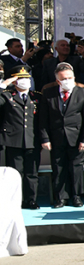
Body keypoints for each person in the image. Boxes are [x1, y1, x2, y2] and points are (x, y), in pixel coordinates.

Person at [38, 62, 84, 208]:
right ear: (58, 81)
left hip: (76, 138)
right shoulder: (48, 94)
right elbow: (43, 118)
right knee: (58, 168)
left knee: (76, 168)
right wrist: (45, 138)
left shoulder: (83, 93)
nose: (67, 81)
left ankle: (76, 196)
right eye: (64, 79)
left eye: (70, 78)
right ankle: (61, 197)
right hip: (56, 137)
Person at [0, 66, 40, 208]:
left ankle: (31, 199)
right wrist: (3, 84)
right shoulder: (7, 95)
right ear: (15, 81)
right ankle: (16, 200)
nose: (25, 81)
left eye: (27, 78)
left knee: (32, 173)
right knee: (16, 173)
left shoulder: (36, 96)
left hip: (32, 139)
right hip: (14, 140)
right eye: (21, 78)